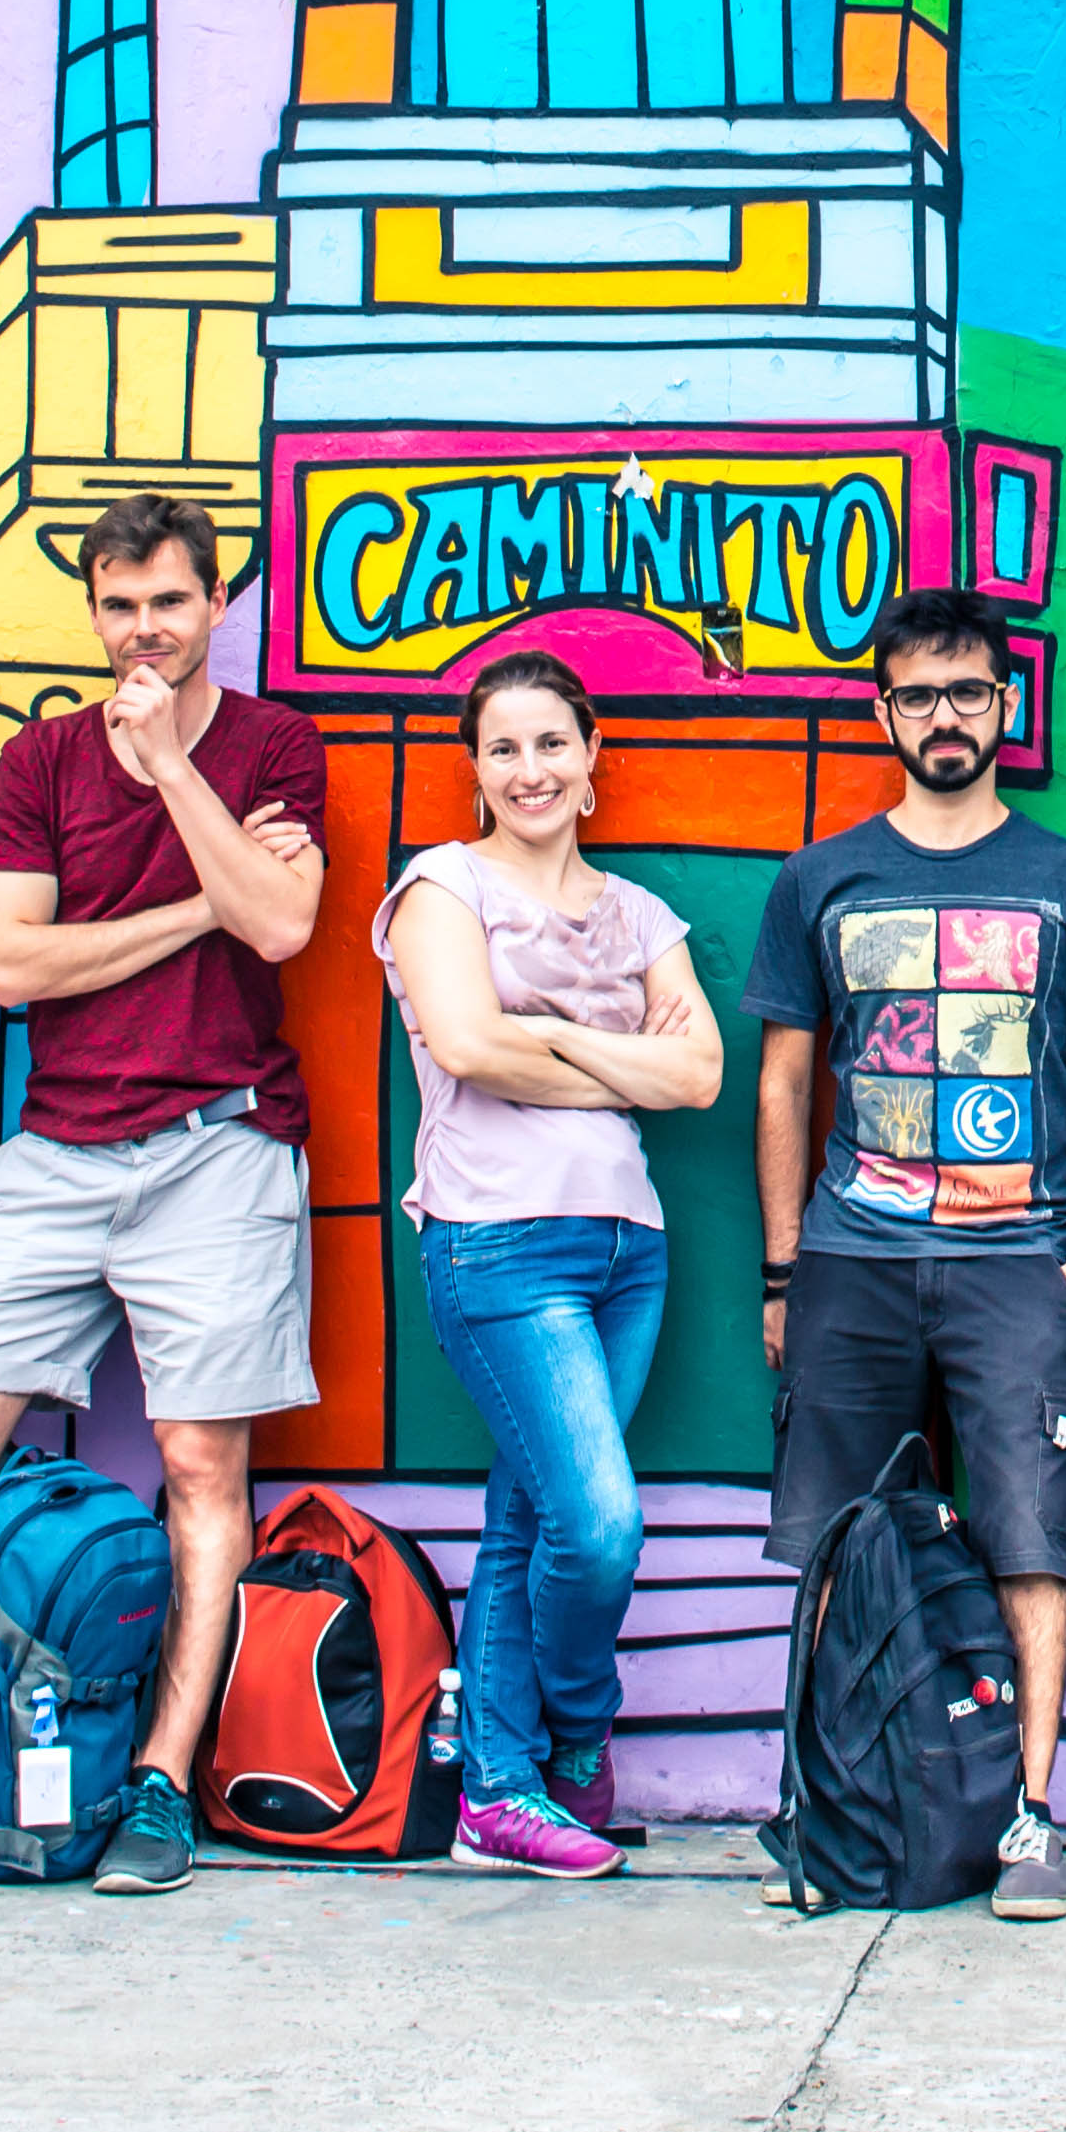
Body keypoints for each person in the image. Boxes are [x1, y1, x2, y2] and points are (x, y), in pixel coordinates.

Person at [0, 494, 329, 1895]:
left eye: (170, 602)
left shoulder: (273, 745)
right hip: (62, 1150)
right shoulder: (37, 759)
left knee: (205, 1467)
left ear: (217, 604)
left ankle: (156, 1780)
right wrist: (208, 897)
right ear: (93, 612)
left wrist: (174, 778)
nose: (144, 629)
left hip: (221, 1142)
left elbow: (284, 925)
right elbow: (14, 969)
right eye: (120, 604)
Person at [749, 587, 1066, 1927]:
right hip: (852, 1263)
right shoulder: (818, 878)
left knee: (1031, 1542)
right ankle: (831, 1815)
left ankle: (1032, 1823)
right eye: (918, 693)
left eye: (967, 692)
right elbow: (783, 1085)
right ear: (883, 711)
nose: (944, 716)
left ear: (1005, 708)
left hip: (1017, 1263)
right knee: (828, 1543)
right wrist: (782, 1271)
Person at [381, 646, 722, 1881]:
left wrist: (551, 1035)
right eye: (504, 747)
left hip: (630, 1248)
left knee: (530, 1521)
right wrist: (608, 1045)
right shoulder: (441, 888)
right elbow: (470, 1048)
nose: (530, 768)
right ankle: (563, 1741)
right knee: (600, 1522)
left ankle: (508, 1792)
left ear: (592, 764)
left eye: (552, 744)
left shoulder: (640, 914)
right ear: (476, 770)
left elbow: (700, 1076)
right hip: (497, 1242)